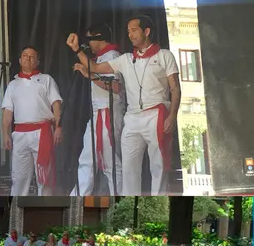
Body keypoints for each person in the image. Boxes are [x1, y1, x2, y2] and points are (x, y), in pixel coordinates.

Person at [66, 15, 181, 195]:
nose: (130, 34)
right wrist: (76, 51)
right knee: (128, 168)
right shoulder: (126, 59)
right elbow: (95, 68)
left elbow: (175, 88)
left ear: (147, 31)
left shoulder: (164, 55)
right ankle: (126, 205)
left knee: (158, 166)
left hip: (156, 114)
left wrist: (172, 115)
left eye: (134, 30)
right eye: (128, 31)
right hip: (132, 117)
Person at [69, 23, 125, 196]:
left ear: (98, 37)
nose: (89, 45)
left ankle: (119, 195)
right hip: (97, 114)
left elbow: (116, 87)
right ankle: (77, 197)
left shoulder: (113, 56)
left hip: (108, 112)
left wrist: (89, 75)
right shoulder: (100, 58)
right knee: (87, 159)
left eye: (90, 40)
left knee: (110, 163)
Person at [1, 46, 63, 196]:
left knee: (44, 177)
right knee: (19, 178)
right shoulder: (12, 85)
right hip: (20, 133)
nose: (28, 58)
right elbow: (7, 111)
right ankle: (16, 209)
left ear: (37, 61)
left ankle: (45, 207)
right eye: (25, 55)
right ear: (20, 60)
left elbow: (56, 103)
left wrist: (59, 127)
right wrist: (6, 134)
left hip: (42, 132)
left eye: (32, 56)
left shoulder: (46, 79)